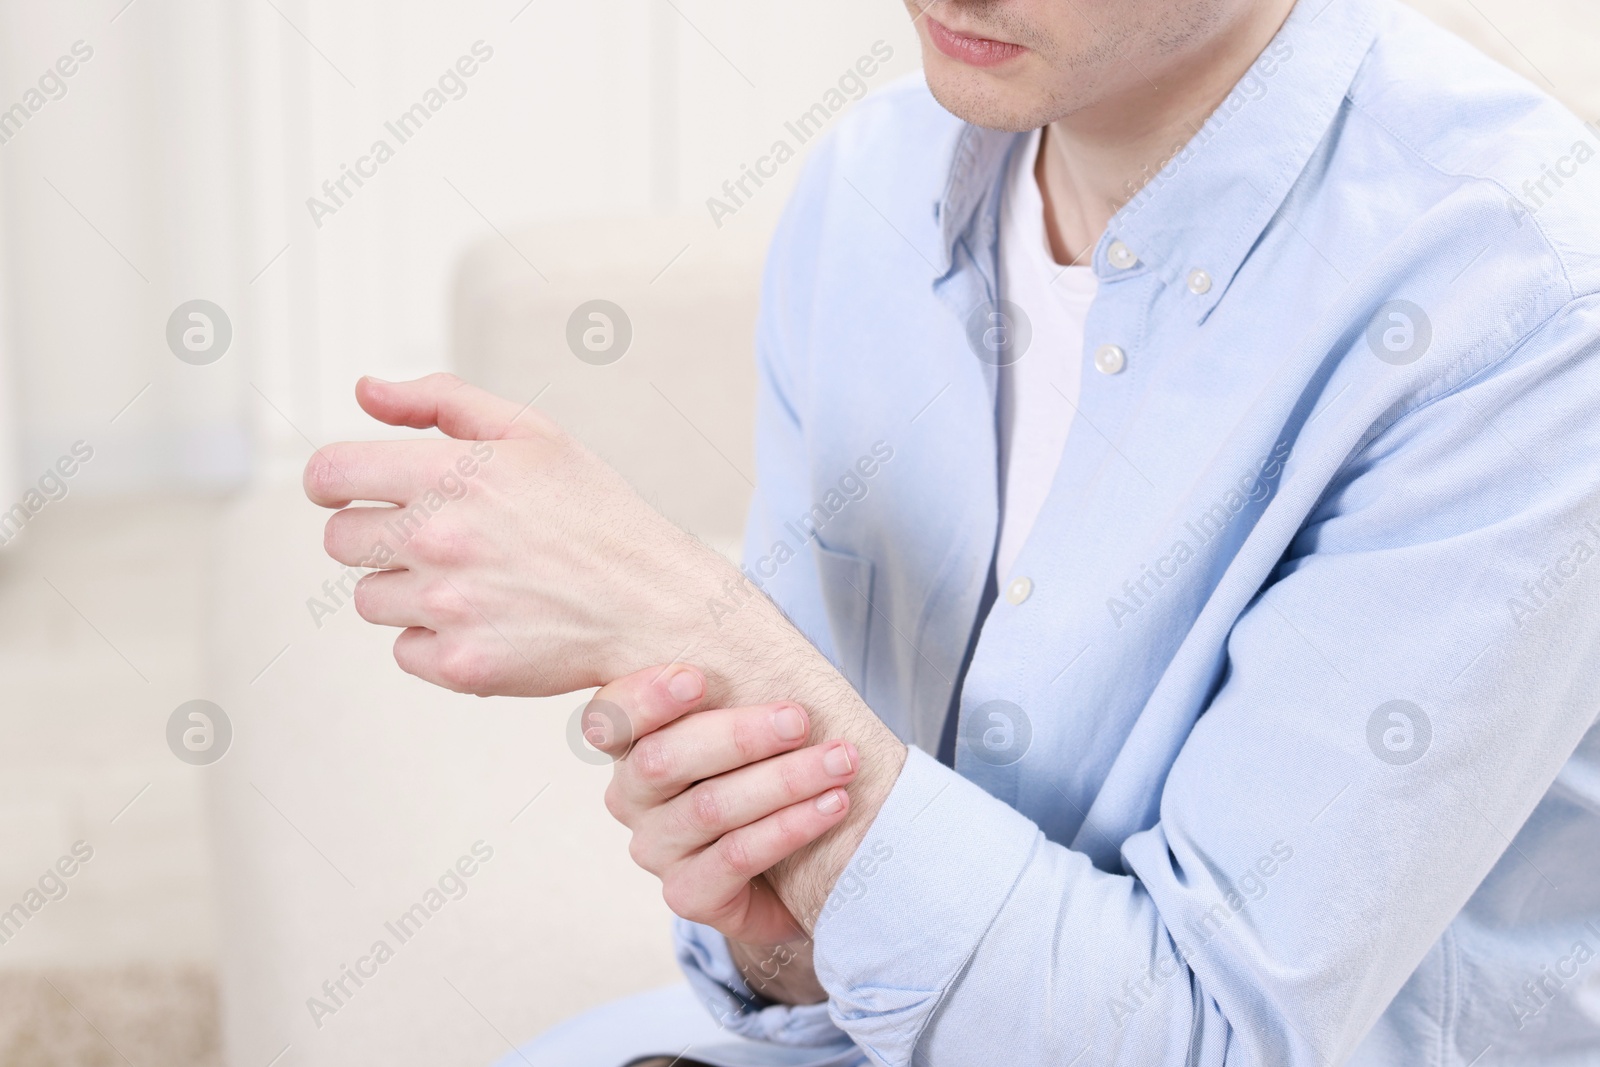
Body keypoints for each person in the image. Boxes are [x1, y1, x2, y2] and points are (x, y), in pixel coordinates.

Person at [306, 0, 1600, 1062]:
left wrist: (670, 613)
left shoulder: (1522, 305)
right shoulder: (876, 185)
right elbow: (791, 943)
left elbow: (1204, 1037)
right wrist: (779, 889)